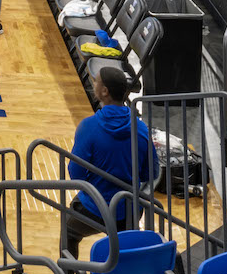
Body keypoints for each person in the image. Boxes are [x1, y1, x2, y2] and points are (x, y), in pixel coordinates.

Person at [65, 66, 158, 251]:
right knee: (123, 247)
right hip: (129, 210)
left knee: (67, 231)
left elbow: (76, 174)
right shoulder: (140, 128)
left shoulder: (88, 127)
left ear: (105, 91)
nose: (94, 84)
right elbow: (152, 172)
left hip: (96, 208)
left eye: (96, 81)